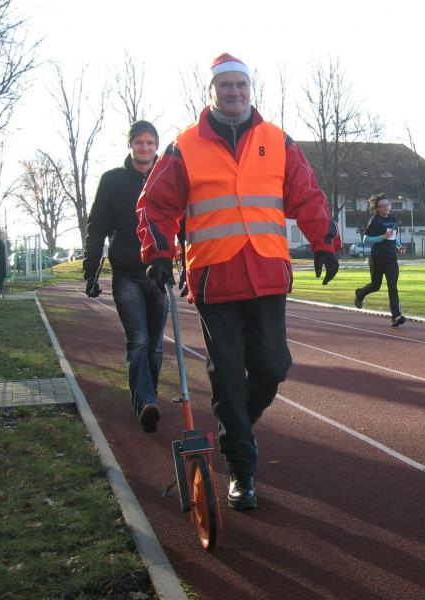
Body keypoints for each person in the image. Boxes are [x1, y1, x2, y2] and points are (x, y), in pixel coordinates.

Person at [135, 54, 340, 511]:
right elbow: (155, 205)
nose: (234, 92)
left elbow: (307, 194)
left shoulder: (277, 140)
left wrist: (324, 242)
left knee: (273, 367)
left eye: (240, 84)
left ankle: (235, 429)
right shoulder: (184, 146)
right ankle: (242, 469)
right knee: (227, 376)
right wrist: (160, 253)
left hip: (267, 273)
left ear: (250, 89)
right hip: (215, 278)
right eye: (225, 85)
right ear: (211, 92)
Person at [82, 120, 168, 434]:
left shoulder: (167, 178)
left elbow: (184, 224)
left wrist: (188, 266)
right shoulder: (112, 181)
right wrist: (91, 271)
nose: (145, 148)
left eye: (150, 142)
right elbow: (97, 228)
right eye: (139, 142)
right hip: (127, 275)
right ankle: (145, 402)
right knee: (139, 340)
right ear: (130, 145)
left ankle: (148, 397)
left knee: (155, 345)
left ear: (156, 146)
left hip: (159, 274)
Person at [353, 193, 406, 327]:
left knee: (392, 286)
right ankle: (360, 293)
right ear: (377, 208)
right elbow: (366, 239)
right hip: (377, 258)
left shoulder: (393, 220)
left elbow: (393, 238)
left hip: (391, 259)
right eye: (382, 206)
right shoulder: (374, 221)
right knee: (376, 286)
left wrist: (399, 246)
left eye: (387, 205)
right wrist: (382, 237)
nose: (386, 207)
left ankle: (396, 316)